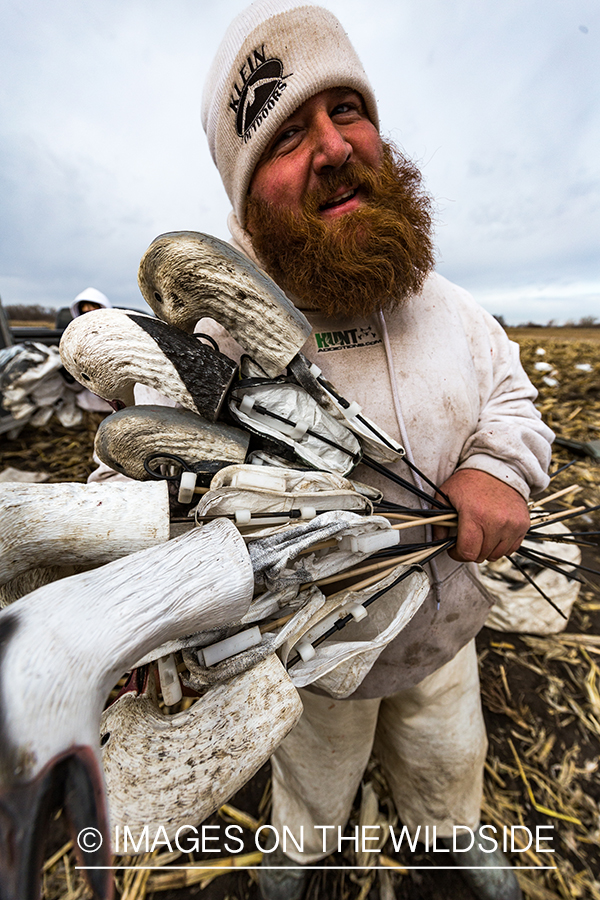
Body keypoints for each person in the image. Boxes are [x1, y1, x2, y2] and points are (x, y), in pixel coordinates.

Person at [200, 3, 553, 899]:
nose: (333, 146)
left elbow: (513, 397)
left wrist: (498, 467)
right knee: (315, 775)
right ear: (243, 195)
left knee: (447, 754)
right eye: (286, 135)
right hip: (316, 666)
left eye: (347, 109)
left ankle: (449, 833)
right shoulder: (218, 346)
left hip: (445, 632)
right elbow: (159, 492)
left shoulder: (453, 309)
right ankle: (301, 853)